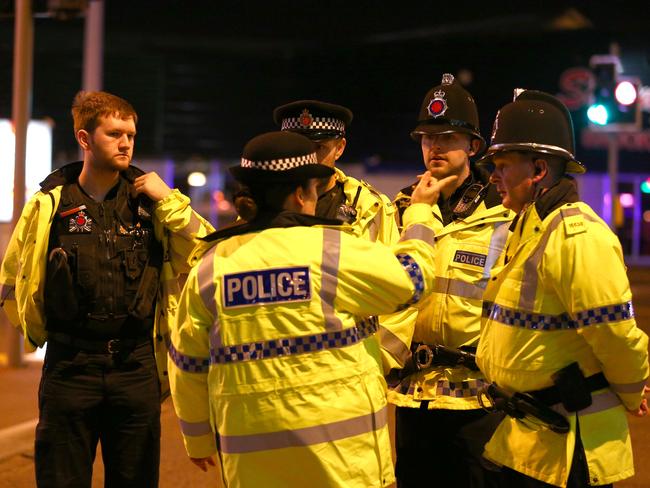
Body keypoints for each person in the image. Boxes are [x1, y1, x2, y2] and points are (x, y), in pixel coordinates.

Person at [167, 130, 456, 488]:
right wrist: (420, 214)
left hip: (252, 468)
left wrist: (197, 439)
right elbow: (411, 281)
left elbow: (187, 364)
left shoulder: (212, 266)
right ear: (302, 192)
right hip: (342, 465)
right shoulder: (333, 249)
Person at [0, 90, 213, 487]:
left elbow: (209, 252)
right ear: (84, 138)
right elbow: (13, 276)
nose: (126, 143)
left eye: (131, 134)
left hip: (135, 367)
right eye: (115, 133)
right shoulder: (50, 204)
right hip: (69, 366)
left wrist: (169, 201)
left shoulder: (152, 204)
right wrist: (33, 332)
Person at [474, 89, 649, 487]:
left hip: (569, 446)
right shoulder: (528, 227)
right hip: (531, 438)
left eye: (503, 165)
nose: (494, 176)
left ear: (538, 170)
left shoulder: (577, 235)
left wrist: (631, 390)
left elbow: (614, 333)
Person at [379, 73, 514, 487]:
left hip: (482, 398)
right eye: (426, 137)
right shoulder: (401, 210)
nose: (434, 146)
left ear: (474, 146)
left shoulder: (505, 214)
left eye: (447, 137)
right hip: (413, 395)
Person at [272, 99, 399, 244]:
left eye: (319, 148)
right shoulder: (263, 200)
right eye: (298, 148)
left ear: (339, 148)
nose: (307, 158)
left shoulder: (369, 206)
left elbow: (390, 264)